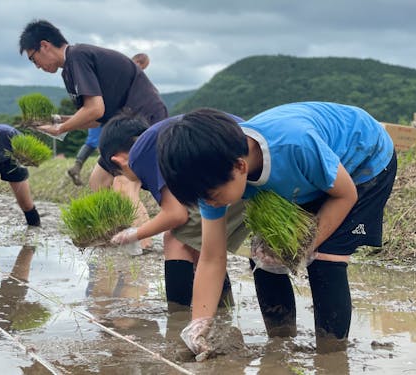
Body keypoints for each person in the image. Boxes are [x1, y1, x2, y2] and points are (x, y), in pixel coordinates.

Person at [157, 102, 397, 355]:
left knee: (325, 260)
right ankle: (282, 344)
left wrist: (302, 247)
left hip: (363, 161)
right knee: (263, 257)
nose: (209, 204)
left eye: (212, 197)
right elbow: (211, 256)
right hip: (311, 176)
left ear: (240, 167)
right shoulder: (212, 178)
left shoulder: (295, 146)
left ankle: (331, 356)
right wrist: (199, 323)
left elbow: (344, 195)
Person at [19, 20, 167, 245]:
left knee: (123, 185)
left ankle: (141, 247)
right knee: (98, 181)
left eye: (33, 58)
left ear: (45, 45)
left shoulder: (77, 56)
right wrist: (55, 122)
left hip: (141, 124)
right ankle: (114, 234)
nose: (36, 65)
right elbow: (92, 118)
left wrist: (60, 128)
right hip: (121, 127)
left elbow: (95, 109)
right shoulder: (69, 70)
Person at [98, 110, 250, 309]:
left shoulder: (139, 155)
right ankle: (221, 310)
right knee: (194, 241)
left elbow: (176, 215)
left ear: (118, 160)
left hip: (231, 174)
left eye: (121, 174)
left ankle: (178, 316)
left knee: (176, 239)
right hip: (246, 161)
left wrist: (133, 234)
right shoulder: (158, 138)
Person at [66, 52, 151, 186]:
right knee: (100, 142)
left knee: (94, 141)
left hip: (101, 112)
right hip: (106, 114)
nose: (142, 70)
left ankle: (80, 166)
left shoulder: (120, 72)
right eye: (143, 66)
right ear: (139, 63)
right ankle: (90, 167)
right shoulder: (128, 75)